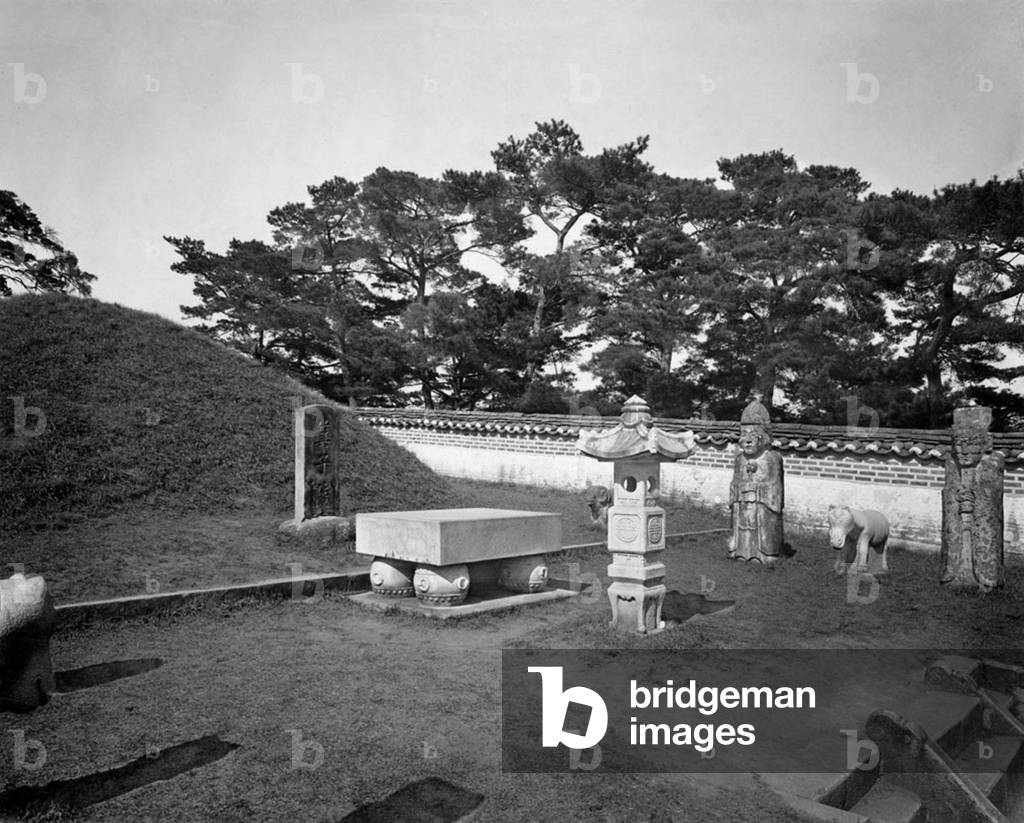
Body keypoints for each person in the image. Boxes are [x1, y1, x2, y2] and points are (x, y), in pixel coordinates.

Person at [940, 405, 1004, 591]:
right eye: (959, 444)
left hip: (980, 518)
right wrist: (957, 497)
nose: (964, 451)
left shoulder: (992, 462)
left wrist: (977, 496)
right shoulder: (951, 464)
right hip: (960, 519)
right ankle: (953, 575)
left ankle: (987, 578)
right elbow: (948, 493)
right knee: (953, 533)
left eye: (971, 444)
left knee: (988, 532)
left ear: (986, 443)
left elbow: (992, 499)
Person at [728, 395, 784, 567]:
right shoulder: (739, 459)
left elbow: (776, 489)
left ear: (764, 436)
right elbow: (734, 483)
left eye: (753, 433)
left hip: (762, 509)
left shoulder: (772, 458)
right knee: (740, 527)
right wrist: (738, 489)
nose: (748, 439)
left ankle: (766, 553)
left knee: (765, 527)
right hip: (743, 504)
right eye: (744, 433)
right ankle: (739, 550)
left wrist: (757, 490)